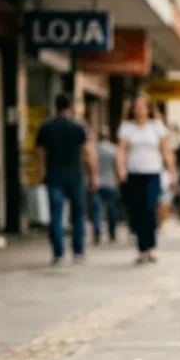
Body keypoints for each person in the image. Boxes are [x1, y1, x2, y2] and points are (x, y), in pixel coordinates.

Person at [35, 94, 96, 265]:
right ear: (70, 107)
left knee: (56, 214)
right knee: (77, 215)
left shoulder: (46, 127)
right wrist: (93, 175)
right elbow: (88, 153)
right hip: (75, 176)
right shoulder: (79, 127)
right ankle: (78, 252)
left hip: (54, 176)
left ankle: (58, 253)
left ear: (55, 106)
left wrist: (41, 173)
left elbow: (40, 153)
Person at [117, 94, 175, 264]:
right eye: (136, 106)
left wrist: (172, 172)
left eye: (142, 106)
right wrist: (120, 168)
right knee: (137, 211)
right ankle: (142, 249)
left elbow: (166, 150)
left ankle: (151, 247)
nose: (139, 109)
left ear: (149, 109)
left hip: (152, 174)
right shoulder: (126, 127)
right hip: (134, 175)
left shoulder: (156, 127)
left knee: (150, 209)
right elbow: (121, 150)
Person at [91, 127, 120, 244]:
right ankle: (112, 232)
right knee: (112, 210)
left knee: (97, 210)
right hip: (111, 182)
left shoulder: (94, 149)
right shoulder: (114, 149)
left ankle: (97, 232)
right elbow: (117, 166)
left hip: (97, 182)